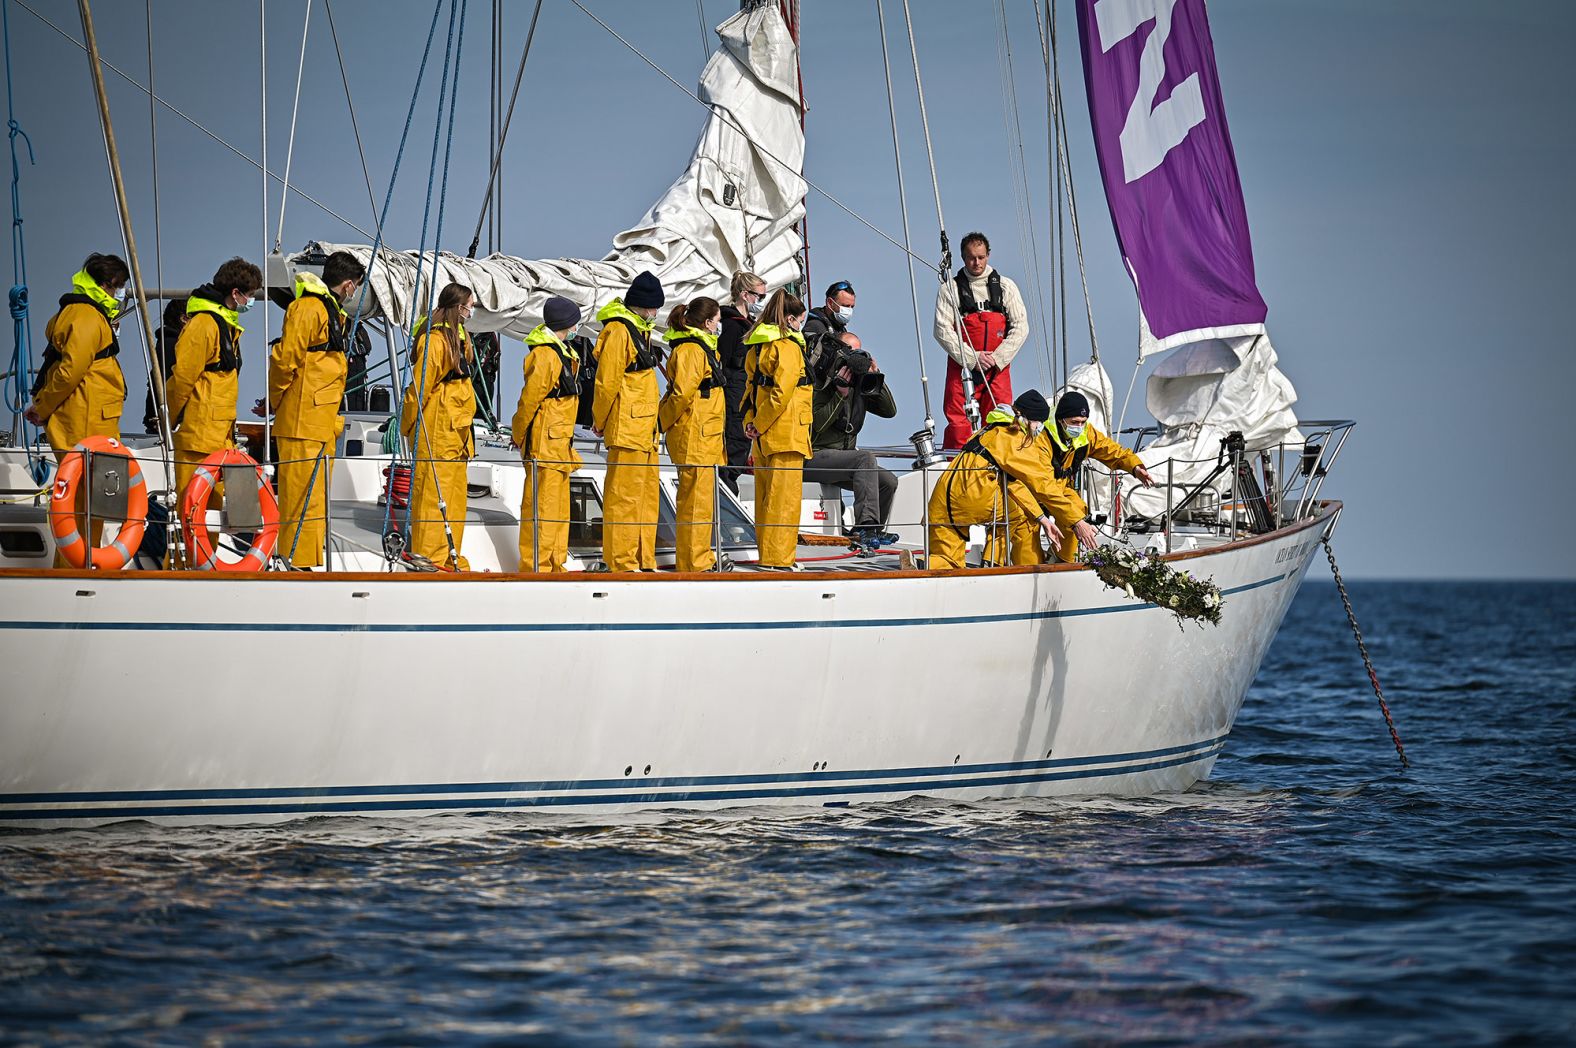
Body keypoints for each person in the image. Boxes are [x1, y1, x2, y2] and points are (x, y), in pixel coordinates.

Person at [24, 253, 131, 567]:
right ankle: (74, 570)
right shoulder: (84, 315)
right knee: (84, 502)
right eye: (119, 286)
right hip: (85, 420)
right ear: (104, 284)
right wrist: (42, 407)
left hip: (93, 418)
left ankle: (79, 566)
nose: (120, 293)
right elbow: (70, 371)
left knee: (90, 502)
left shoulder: (87, 312)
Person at [264, 250, 365, 568]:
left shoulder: (330, 312)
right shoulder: (307, 308)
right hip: (302, 421)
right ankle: (294, 560)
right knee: (298, 498)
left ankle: (306, 559)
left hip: (320, 421)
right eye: (356, 287)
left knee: (314, 497)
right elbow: (285, 359)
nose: (354, 293)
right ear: (348, 285)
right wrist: (275, 401)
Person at [926, 390, 1077, 571]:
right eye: (1039, 422)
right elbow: (1041, 483)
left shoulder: (990, 428)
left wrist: (1043, 518)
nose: (1040, 428)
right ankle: (995, 564)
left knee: (945, 555)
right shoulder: (1014, 438)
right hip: (972, 496)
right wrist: (1077, 520)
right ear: (1028, 419)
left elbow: (1013, 484)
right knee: (1019, 516)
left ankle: (925, 568)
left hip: (942, 499)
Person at [165, 257, 263, 520]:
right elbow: (182, 378)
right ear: (235, 293)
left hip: (218, 437)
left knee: (211, 511)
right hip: (198, 436)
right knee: (191, 512)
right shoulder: (204, 325)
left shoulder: (226, 326)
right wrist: (169, 420)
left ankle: (208, 562)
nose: (251, 301)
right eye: (250, 295)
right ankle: (184, 562)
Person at [399, 282, 477, 571]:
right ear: (458, 307)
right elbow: (419, 390)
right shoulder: (434, 342)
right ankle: (428, 557)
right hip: (437, 430)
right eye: (470, 306)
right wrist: (406, 427)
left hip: (457, 432)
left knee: (455, 499)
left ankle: (450, 555)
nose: (472, 311)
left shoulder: (460, 338)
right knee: (433, 497)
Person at [591, 271, 666, 572]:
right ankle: (621, 561)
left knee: (646, 499)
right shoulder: (620, 332)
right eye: (655, 307)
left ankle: (642, 557)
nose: (657, 312)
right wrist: (600, 420)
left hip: (645, 431)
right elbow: (606, 382)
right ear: (645, 306)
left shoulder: (639, 329)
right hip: (627, 429)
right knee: (623, 498)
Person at [1031, 389, 1155, 565]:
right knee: (1026, 531)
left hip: (1059, 488)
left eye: (1083, 422)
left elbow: (1111, 450)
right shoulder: (1042, 438)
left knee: (1078, 509)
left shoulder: (1086, 433)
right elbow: (1043, 487)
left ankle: (1060, 562)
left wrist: (1135, 467)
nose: (1079, 427)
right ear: (1061, 419)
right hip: (1033, 492)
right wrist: (1077, 523)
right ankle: (1024, 568)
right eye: (1074, 422)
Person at [933, 232, 1029, 449]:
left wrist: (996, 358)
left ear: (988, 255)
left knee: (1001, 419)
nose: (976, 263)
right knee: (958, 422)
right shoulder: (950, 289)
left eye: (981, 257)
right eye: (971, 258)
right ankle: (957, 468)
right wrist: (972, 358)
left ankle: (998, 469)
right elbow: (941, 330)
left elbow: (1021, 327)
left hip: (997, 368)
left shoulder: (1006, 287)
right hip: (962, 367)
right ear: (963, 257)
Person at [804, 331, 900, 545]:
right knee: (864, 458)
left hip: (841, 461)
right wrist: (839, 394)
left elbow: (890, 411)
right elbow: (817, 425)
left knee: (888, 482)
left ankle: (871, 530)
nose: (855, 358)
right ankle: (866, 527)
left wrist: (875, 376)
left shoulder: (860, 385)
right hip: (813, 455)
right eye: (849, 352)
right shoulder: (820, 383)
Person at [511, 295, 583, 573]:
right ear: (567, 323)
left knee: (558, 509)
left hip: (560, 443)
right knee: (540, 508)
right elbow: (529, 400)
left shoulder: (561, 352)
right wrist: (519, 432)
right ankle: (536, 565)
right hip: (545, 444)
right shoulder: (544, 355)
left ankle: (555, 562)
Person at [743, 288, 812, 570]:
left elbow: (750, 389)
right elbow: (782, 393)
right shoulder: (788, 347)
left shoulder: (757, 345)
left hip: (762, 436)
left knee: (765, 499)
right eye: (800, 320)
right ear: (791, 319)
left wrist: (751, 423)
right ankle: (779, 560)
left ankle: (767, 554)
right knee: (784, 500)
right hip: (786, 433)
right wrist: (759, 425)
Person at [659, 296, 726, 572]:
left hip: (704, 435)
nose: (718, 326)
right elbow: (682, 394)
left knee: (700, 502)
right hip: (695, 435)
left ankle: (697, 557)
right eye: (718, 321)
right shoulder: (691, 351)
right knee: (695, 503)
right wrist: (661, 422)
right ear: (708, 322)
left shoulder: (699, 347)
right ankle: (693, 562)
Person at [718, 271, 765, 494]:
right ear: (745, 295)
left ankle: (729, 490)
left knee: (742, 446)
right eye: (759, 297)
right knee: (734, 447)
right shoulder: (731, 326)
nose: (761, 302)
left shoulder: (750, 326)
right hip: (733, 398)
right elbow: (722, 362)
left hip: (744, 397)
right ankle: (725, 492)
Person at [143, 299, 188, 435]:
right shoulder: (174, 345)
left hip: (163, 418)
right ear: (184, 319)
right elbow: (171, 382)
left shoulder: (167, 343)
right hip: (168, 422)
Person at [802, 279, 855, 344]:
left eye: (852, 307)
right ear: (830, 303)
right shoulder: (815, 326)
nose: (849, 310)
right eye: (845, 306)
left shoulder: (840, 330)